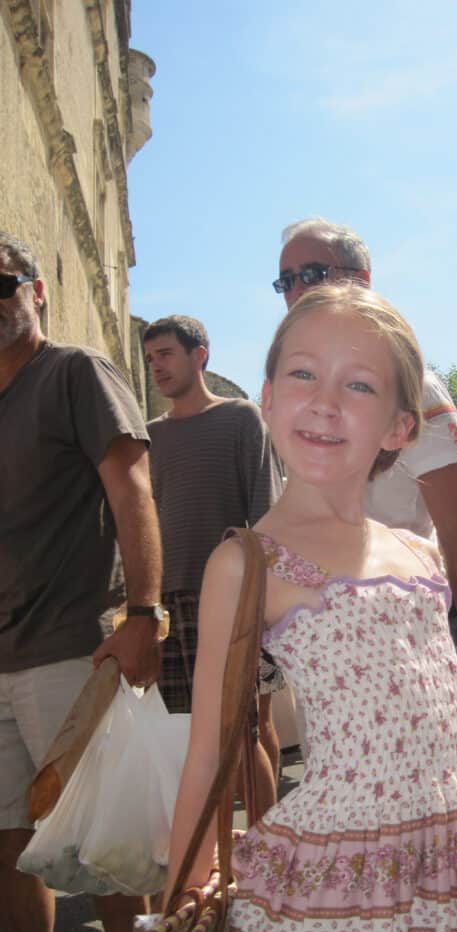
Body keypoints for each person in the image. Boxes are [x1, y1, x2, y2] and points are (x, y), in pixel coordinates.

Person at [165, 284, 457, 932]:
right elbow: (208, 753)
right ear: (269, 399)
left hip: (455, 855)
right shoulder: (249, 564)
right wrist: (180, 898)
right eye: (304, 374)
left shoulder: (419, 551)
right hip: (343, 881)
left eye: (360, 384)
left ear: (402, 426)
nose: (326, 401)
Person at [0, 231, 163, 932]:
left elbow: (133, 491)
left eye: (3, 284)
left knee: (104, 846)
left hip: (72, 646)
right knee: (12, 848)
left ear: (37, 290)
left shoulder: (74, 373)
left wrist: (143, 613)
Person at [275, 218, 457, 740]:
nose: (296, 291)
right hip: (330, 652)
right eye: (284, 280)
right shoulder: (298, 394)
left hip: (412, 639)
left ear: (361, 278)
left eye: (310, 272)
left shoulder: (412, 387)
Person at [144, 315, 281, 808]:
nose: (156, 366)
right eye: (151, 357)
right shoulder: (149, 436)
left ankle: (269, 860)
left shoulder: (242, 418)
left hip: (229, 601)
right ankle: (218, 862)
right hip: (168, 604)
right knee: (193, 745)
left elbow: (266, 513)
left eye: (165, 354)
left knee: (241, 739)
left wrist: (260, 602)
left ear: (199, 354)